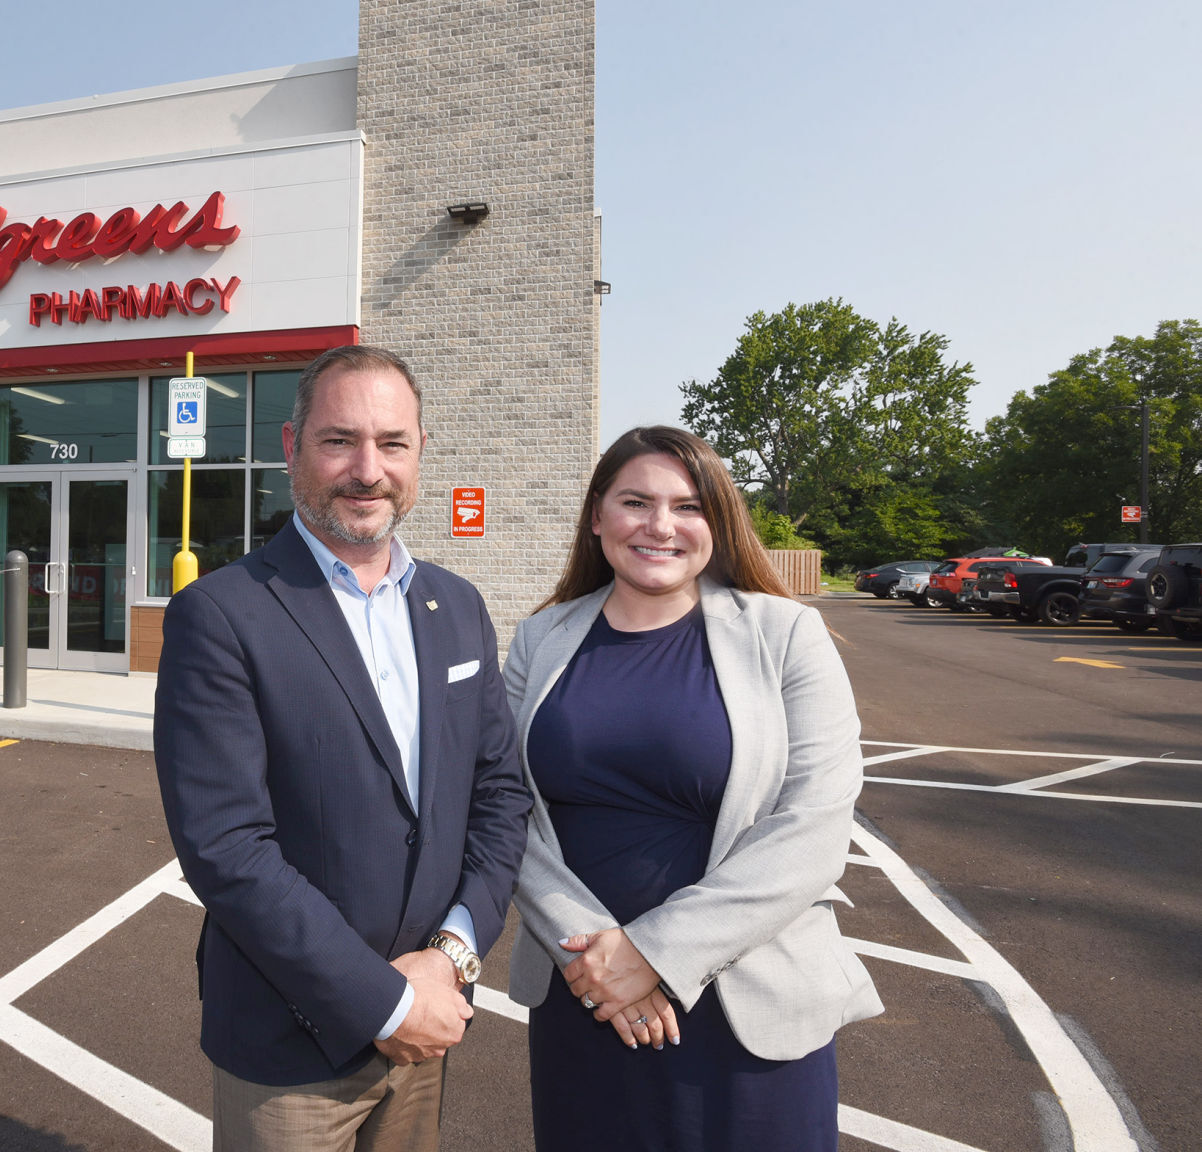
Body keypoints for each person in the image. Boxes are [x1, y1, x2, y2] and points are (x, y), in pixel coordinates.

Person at [153, 345, 532, 1152]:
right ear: (293, 447)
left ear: (420, 452)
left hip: (433, 1018)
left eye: (392, 443)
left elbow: (499, 794)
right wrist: (386, 1002)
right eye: (340, 441)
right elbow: (226, 849)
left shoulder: (457, 607)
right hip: (291, 1047)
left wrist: (451, 958)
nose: (368, 470)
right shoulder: (220, 615)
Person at [505, 425, 882, 1152]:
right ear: (596, 516)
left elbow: (814, 830)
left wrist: (651, 955)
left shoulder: (786, 636)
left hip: (747, 1005)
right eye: (635, 502)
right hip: (584, 990)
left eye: (688, 506)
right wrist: (597, 958)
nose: (659, 526)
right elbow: (503, 810)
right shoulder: (540, 639)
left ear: (720, 521)